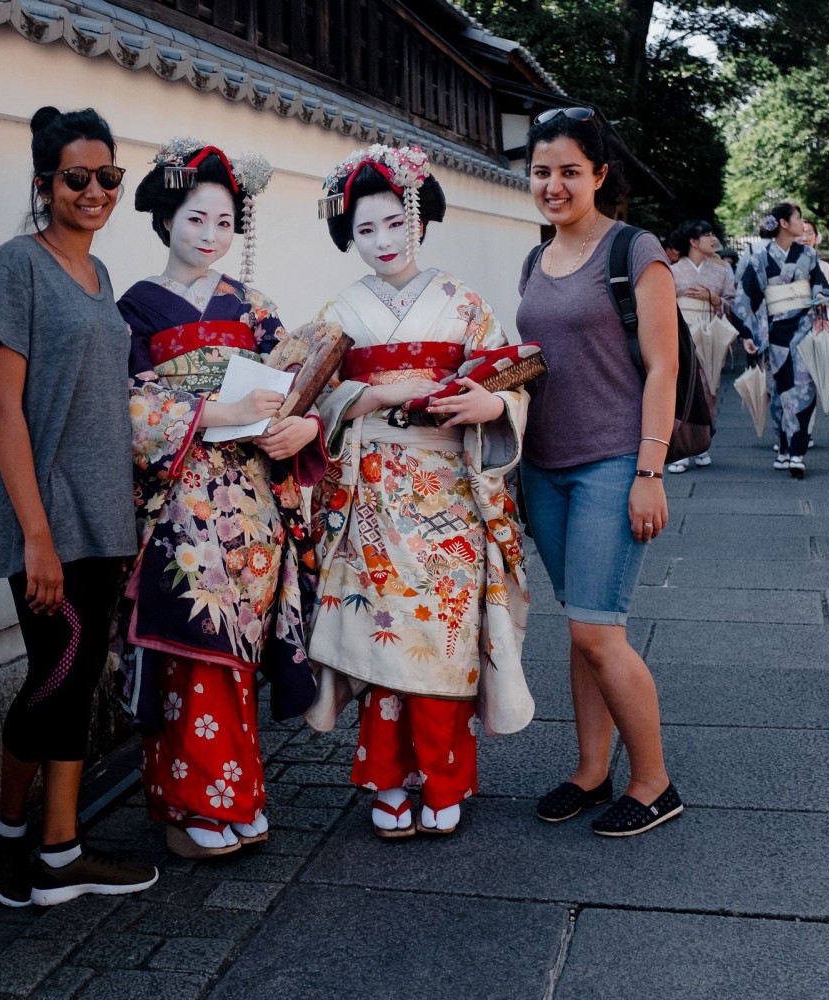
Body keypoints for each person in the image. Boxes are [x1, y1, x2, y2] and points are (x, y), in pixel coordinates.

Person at [304, 144, 531, 838]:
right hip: (370, 488)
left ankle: (445, 777)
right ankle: (389, 778)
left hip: (450, 488)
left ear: (420, 221)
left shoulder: (465, 306)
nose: (382, 243)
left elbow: (509, 380)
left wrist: (493, 409)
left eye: (394, 225)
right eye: (364, 230)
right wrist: (373, 393)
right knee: (383, 639)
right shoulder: (339, 311)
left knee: (446, 634)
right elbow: (309, 398)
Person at [117, 140, 321, 859]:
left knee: (237, 650)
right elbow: (126, 405)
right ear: (167, 217)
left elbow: (302, 382)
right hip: (178, 504)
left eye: (225, 223)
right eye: (196, 218)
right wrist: (214, 415)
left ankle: (234, 796)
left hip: (252, 503)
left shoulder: (254, 307)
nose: (210, 236)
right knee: (194, 648)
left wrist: (301, 423)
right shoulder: (135, 310)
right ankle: (199, 801)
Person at [0, 106, 158, 907]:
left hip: (104, 512)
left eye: (108, 177)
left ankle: (56, 849)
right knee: (54, 677)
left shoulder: (100, 276)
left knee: (78, 677)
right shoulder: (17, 266)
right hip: (46, 515)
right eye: (76, 178)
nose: (95, 191)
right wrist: (36, 536)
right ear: (45, 183)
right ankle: (7, 826)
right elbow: (3, 410)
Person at [518, 106, 683, 837]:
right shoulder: (534, 257)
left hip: (614, 463)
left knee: (598, 630)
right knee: (582, 625)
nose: (554, 186)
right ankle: (591, 770)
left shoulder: (634, 251)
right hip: (544, 467)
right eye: (542, 172)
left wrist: (650, 469)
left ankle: (654, 782)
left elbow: (663, 365)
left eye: (569, 172)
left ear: (599, 176)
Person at [734, 203, 829, 478]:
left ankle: (798, 452)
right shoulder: (759, 258)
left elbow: (821, 284)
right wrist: (748, 334)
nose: (803, 224)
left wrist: (820, 295)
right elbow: (746, 297)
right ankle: (783, 448)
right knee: (779, 393)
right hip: (774, 332)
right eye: (799, 219)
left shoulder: (809, 255)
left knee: (803, 389)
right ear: (784, 224)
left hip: (803, 329)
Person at [667, 219, 734, 474]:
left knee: (709, 389)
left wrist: (714, 298)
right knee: (680, 388)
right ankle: (679, 447)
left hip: (709, 331)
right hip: (680, 332)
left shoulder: (722, 272)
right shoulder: (672, 271)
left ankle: (702, 442)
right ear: (693, 242)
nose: (713, 239)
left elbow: (731, 303)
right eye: (706, 235)